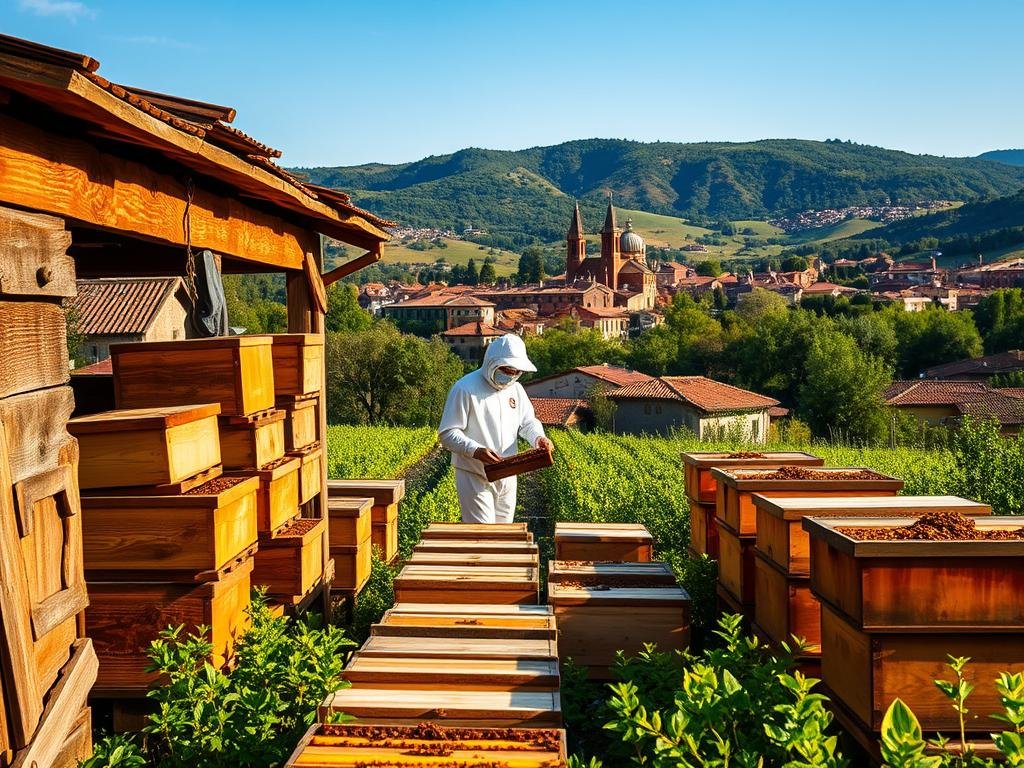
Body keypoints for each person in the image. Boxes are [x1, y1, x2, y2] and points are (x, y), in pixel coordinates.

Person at [439, 334, 554, 524]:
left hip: (508, 473)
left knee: (504, 534)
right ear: (492, 363)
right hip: (474, 475)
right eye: (506, 370)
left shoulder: (516, 390)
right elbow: (447, 433)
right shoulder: (465, 388)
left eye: (516, 372)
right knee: (483, 537)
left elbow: (528, 422)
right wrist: (476, 450)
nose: (511, 376)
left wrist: (538, 438)